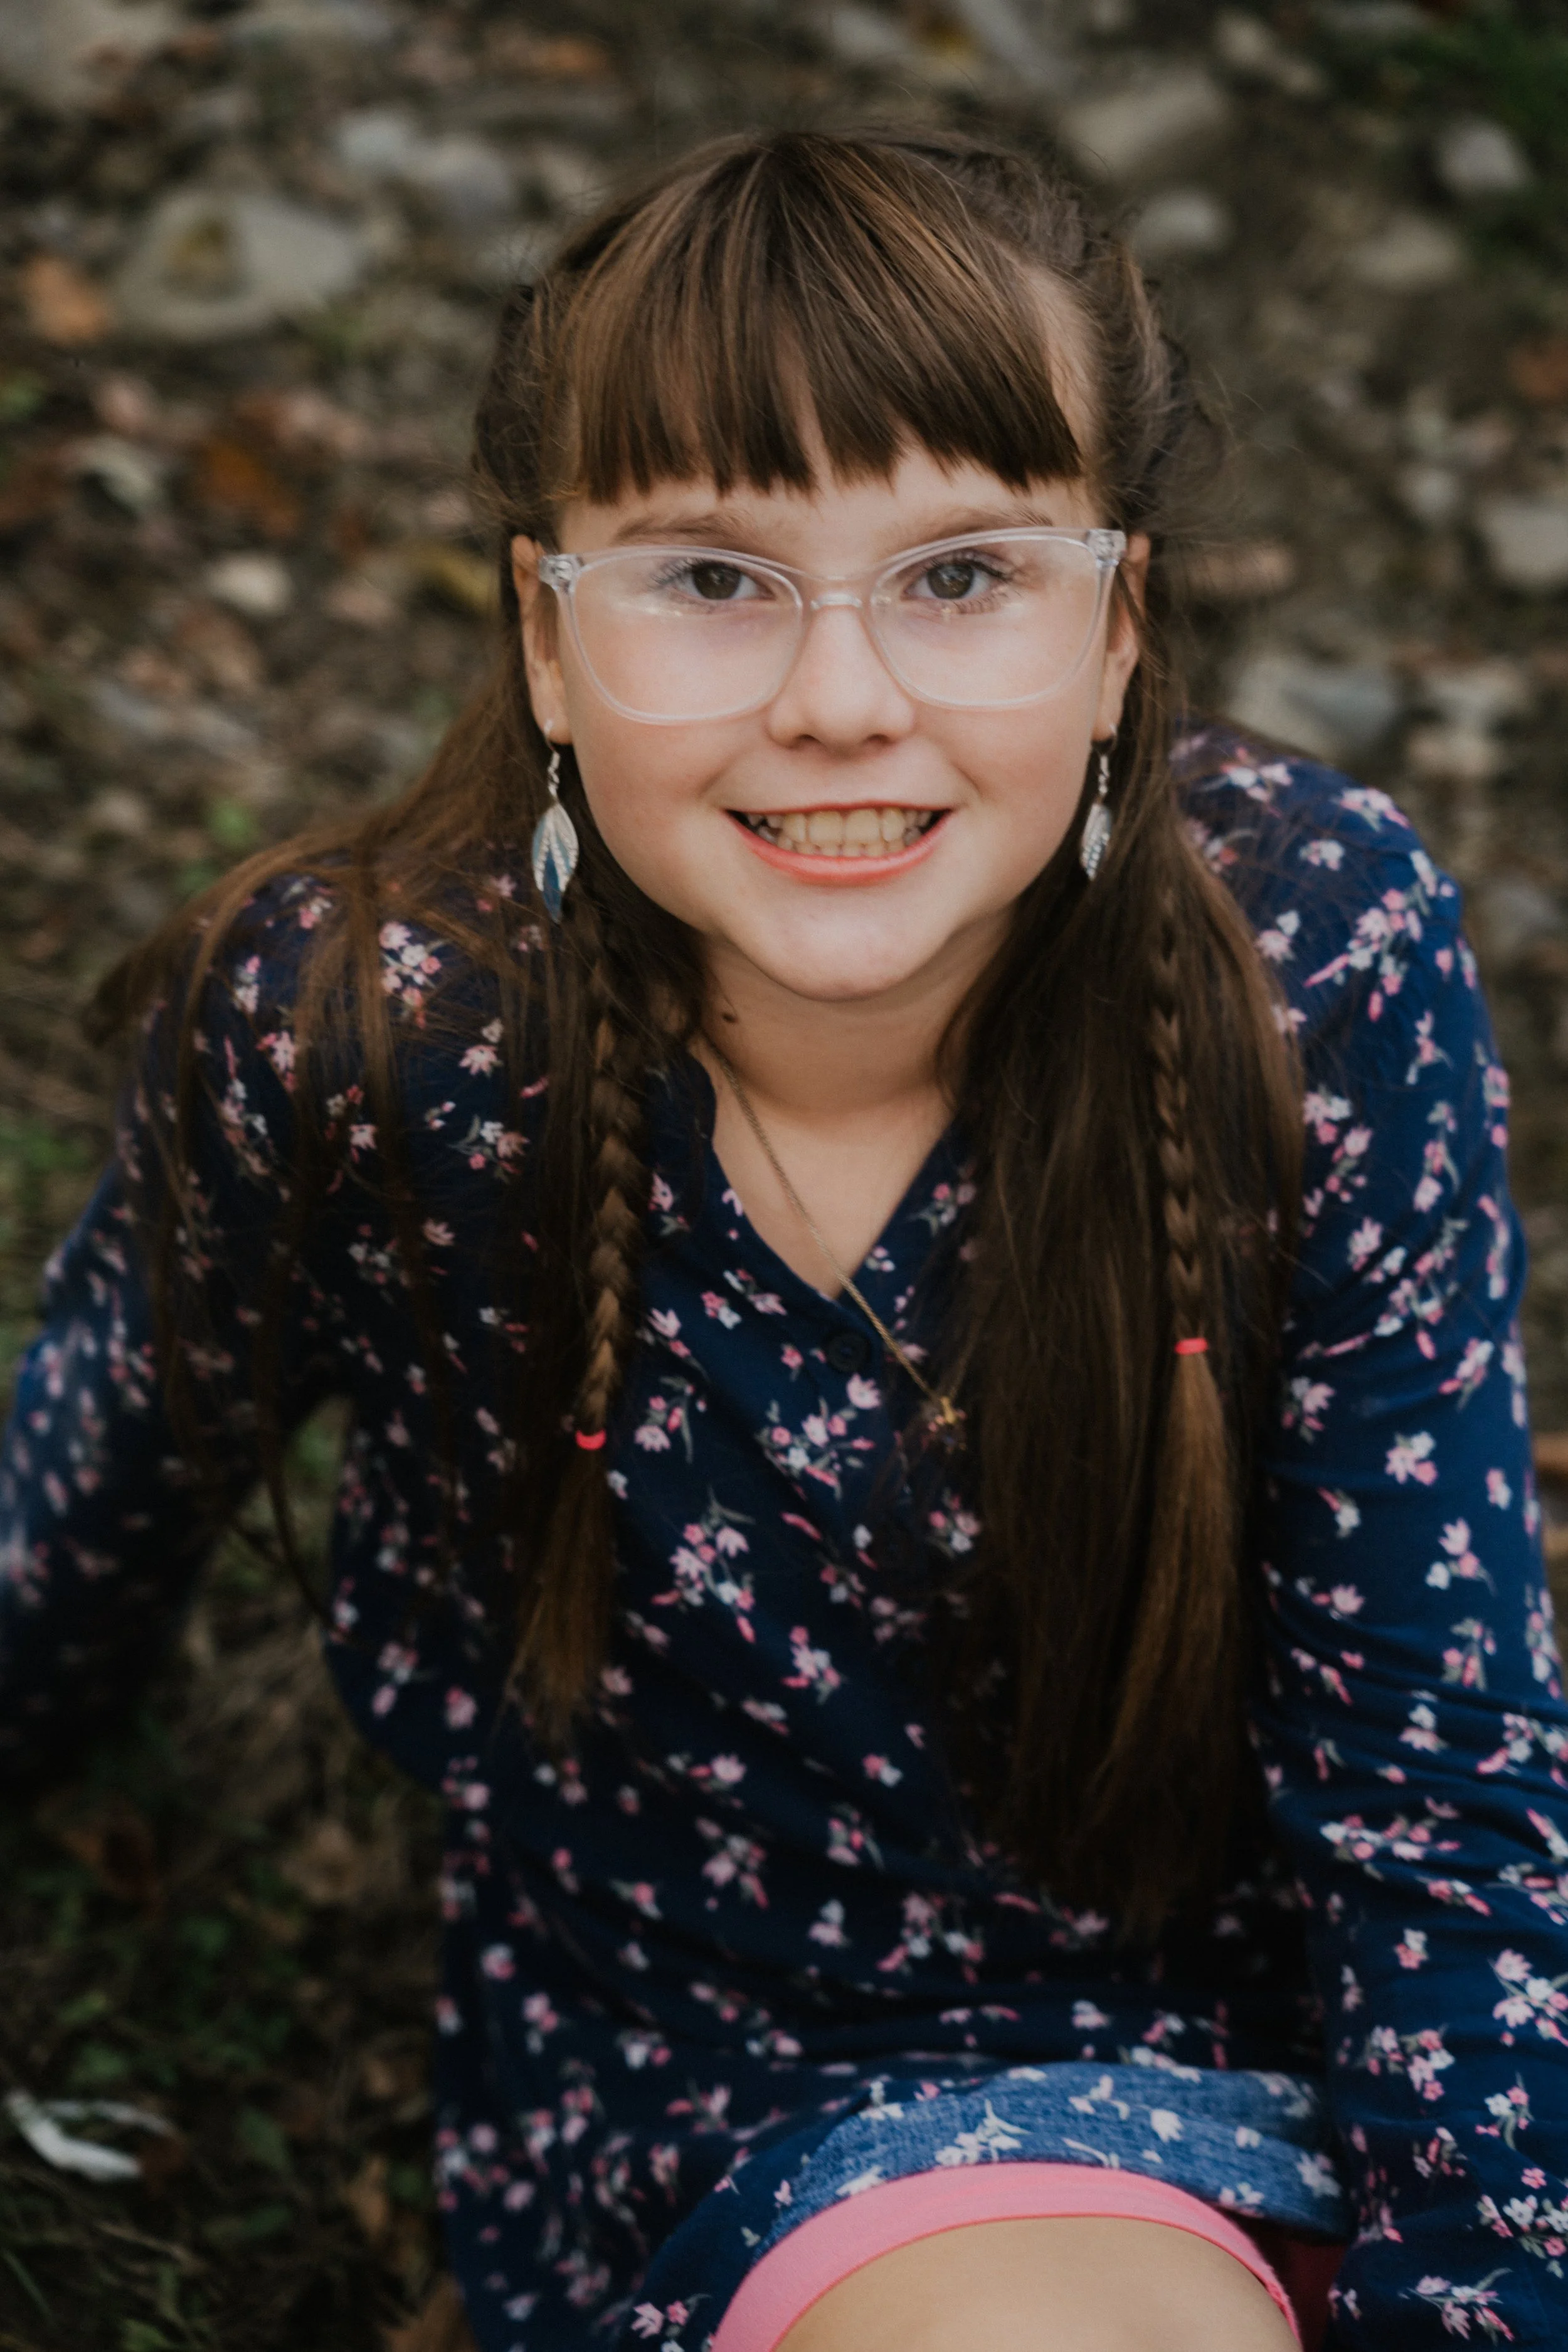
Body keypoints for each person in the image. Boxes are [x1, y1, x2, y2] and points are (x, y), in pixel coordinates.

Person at [2, 126, 1565, 2352]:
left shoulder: (1306, 960)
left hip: (1282, 2033)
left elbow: (1432, 1748)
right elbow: (104, 1468)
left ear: (1118, 626)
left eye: (960, 573)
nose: (839, 697)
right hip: (729, 2087)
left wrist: (1485, 2278)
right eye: (711, 577)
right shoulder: (369, 1033)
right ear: (546, 638)